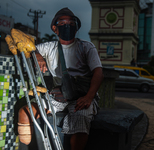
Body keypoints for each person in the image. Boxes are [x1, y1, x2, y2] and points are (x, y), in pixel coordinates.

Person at [18, 7, 104, 150]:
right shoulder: (49, 47)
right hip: (58, 96)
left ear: (76, 27)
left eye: (71, 22)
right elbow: (27, 44)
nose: (67, 25)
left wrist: (89, 97)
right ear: (54, 28)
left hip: (81, 96)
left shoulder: (86, 47)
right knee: (25, 112)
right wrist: (37, 54)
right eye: (62, 22)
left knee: (80, 118)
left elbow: (98, 72)